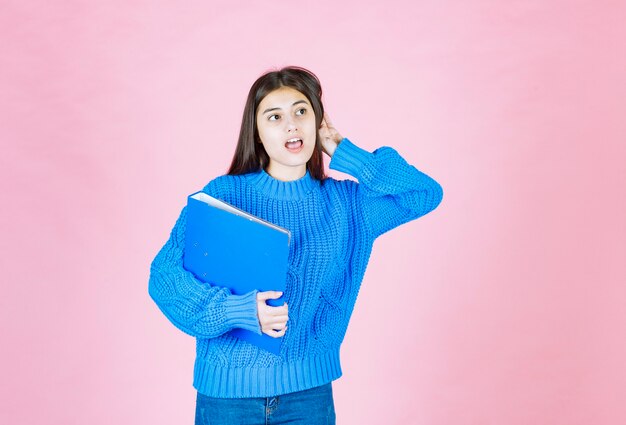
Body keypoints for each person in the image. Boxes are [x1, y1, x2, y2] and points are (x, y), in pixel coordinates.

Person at [148, 66, 443, 425]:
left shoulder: (349, 206)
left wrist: (343, 150)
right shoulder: (224, 196)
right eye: (275, 116)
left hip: (308, 397)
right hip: (226, 399)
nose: (291, 124)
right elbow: (164, 278)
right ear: (256, 133)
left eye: (301, 111)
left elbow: (424, 193)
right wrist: (236, 311)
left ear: (317, 121)